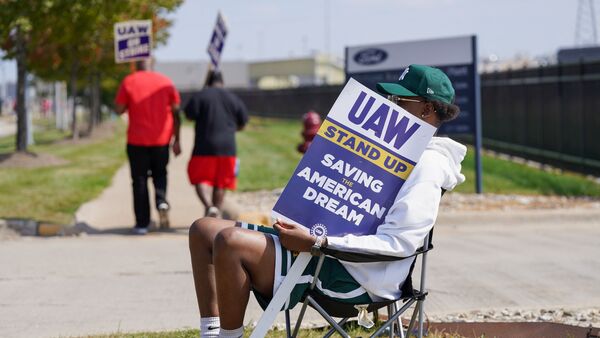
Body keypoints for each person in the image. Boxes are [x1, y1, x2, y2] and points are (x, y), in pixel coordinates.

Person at [188, 64, 467, 337]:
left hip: (356, 275)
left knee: (230, 242)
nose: (388, 104)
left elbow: (399, 243)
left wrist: (318, 242)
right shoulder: (389, 150)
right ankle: (211, 334)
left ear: (427, 110)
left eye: (397, 100)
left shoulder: (428, 165)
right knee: (204, 230)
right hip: (327, 251)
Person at [115, 59, 181, 235]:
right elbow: (176, 112)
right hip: (162, 140)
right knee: (160, 173)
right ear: (153, 64)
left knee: (139, 180)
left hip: (137, 140)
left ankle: (142, 224)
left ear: (136, 65)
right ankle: (161, 201)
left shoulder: (129, 81)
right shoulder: (166, 82)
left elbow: (119, 109)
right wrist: (177, 140)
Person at [184, 70, 248, 218]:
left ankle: (209, 206)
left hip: (203, 145)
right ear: (222, 81)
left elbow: (189, 115)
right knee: (221, 182)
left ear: (208, 81)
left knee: (199, 178)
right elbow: (243, 124)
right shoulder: (233, 98)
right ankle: (216, 211)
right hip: (227, 147)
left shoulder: (201, 95)